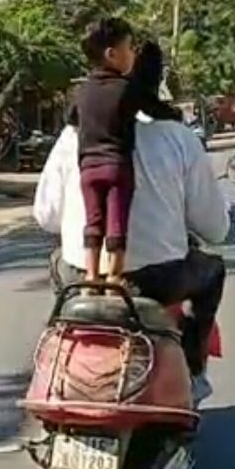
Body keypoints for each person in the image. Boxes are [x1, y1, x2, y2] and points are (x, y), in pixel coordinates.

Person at [34, 40, 230, 395]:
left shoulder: (72, 135)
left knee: (57, 261)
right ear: (156, 80)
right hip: (159, 282)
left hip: (83, 276)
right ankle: (194, 367)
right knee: (213, 270)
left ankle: (65, 336)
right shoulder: (179, 138)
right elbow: (216, 229)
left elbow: (46, 217)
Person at [74, 18, 180, 289]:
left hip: (87, 168)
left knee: (93, 221)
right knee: (116, 222)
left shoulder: (81, 91)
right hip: (116, 167)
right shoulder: (126, 88)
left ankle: (90, 276)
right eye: (129, 48)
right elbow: (154, 109)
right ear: (112, 54)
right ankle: (114, 276)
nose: (133, 54)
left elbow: (71, 118)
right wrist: (175, 114)